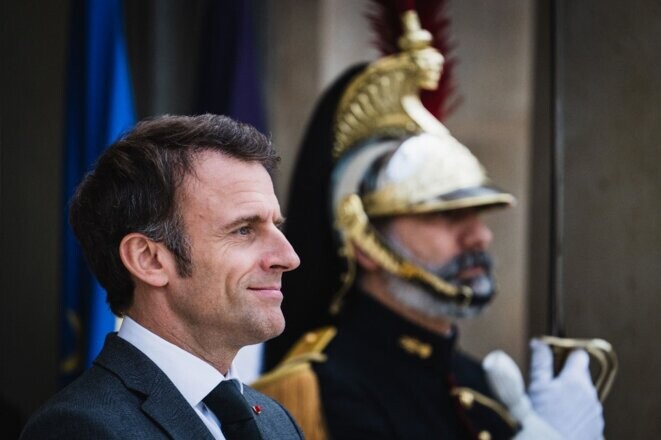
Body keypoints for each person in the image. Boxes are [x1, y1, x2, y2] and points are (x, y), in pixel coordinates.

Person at [255, 6, 604, 440]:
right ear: (363, 239)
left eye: (477, 214)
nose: (480, 235)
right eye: (444, 216)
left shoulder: (479, 381)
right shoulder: (315, 389)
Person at [21, 114, 304, 440]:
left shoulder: (277, 422)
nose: (288, 258)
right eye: (243, 230)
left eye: (276, 226)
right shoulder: (80, 429)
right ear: (149, 260)